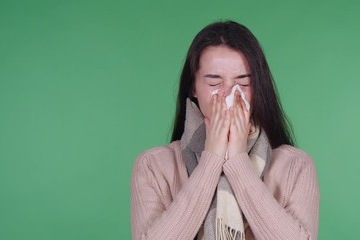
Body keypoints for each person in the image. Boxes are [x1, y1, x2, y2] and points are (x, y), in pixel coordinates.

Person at [130, 21, 319, 240]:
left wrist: (238, 163)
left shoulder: (295, 166)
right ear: (193, 88)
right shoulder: (153, 166)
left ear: (258, 88)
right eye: (213, 83)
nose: (229, 95)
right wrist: (211, 160)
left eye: (243, 83)